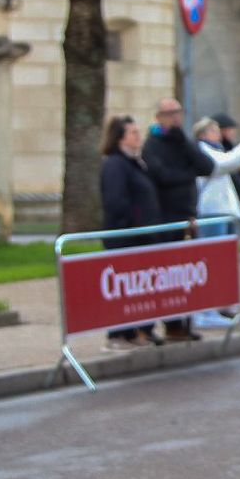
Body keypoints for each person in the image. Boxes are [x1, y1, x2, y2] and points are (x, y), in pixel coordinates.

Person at [140, 97, 217, 341]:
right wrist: (187, 173)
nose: (175, 117)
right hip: (164, 217)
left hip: (187, 216)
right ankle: (151, 325)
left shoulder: (182, 141)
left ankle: (180, 324)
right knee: (163, 273)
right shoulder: (152, 144)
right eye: (169, 113)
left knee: (184, 274)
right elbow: (162, 176)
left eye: (178, 112)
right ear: (159, 117)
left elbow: (206, 166)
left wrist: (184, 144)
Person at [193, 115, 240, 329]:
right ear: (203, 134)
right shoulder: (203, 151)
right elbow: (228, 164)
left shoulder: (216, 150)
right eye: (213, 130)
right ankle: (207, 309)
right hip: (211, 213)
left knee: (224, 265)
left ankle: (222, 304)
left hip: (223, 213)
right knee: (213, 263)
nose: (218, 134)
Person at [98, 115, 161, 350]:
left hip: (142, 237)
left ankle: (140, 329)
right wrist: (135, 223)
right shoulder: (115, 164)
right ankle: (119, 333)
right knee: (123, 288)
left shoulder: (137, 162)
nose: (139, 137)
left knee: (140, 287)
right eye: (133, 133)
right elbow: (115, 201)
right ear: (121, 138)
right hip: (125, 238)